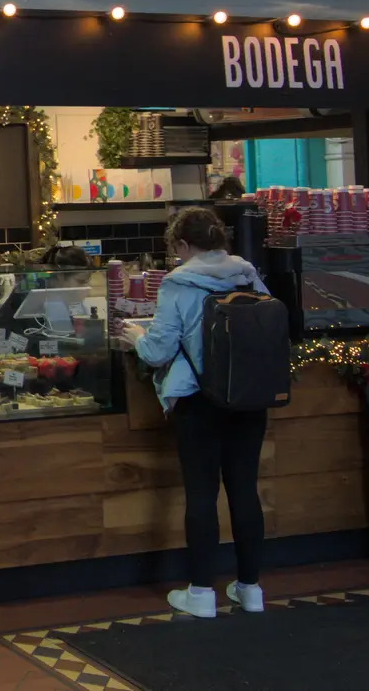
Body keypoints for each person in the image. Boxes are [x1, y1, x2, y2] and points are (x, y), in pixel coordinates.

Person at [120, 206, 271, 619]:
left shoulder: (178, 282)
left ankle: (202, 593)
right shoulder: (248, 274)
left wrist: (136, 336)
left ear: (184, 245)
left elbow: (158, 351)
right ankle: (251, 589)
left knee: (202, 493)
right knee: (244, 489)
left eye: (177, 249)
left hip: (198, 399)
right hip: (248, 396)